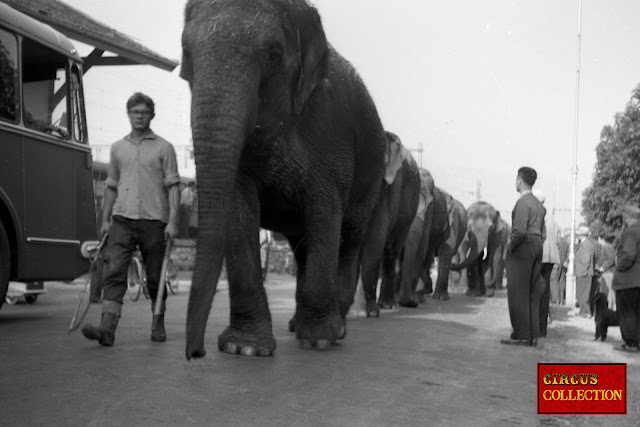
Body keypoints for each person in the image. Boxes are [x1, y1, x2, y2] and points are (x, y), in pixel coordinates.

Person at [81, 92, 180, 347]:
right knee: (114, 271)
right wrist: (105, 221)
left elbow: (173, 188)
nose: (139, 116)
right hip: (122, 220)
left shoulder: (164, 148)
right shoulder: (118, 148)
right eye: (135, 111)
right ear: (128, 115)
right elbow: (111, 186)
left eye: (144, 112)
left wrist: (173, 221)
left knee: (156, 276)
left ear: (152, 115)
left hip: (154, 221)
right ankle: (107, 328)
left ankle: (158, 322)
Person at [501, 166, 546, 346]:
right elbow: (543, 233)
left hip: (523, 246)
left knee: (518, 291)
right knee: (533, 292)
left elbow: (519, 230)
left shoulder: (522, 203)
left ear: (519, 180)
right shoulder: (538, 205)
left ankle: (521, 334)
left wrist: (510, 247)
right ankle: (533, 334)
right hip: (537, 245)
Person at [612, 204, 640, 353]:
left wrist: (619, 266)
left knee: (627, 312)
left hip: (628, 280)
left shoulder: (630, 232)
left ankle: (630, 343)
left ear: (627, 217)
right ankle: (636, 342)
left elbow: (628, 255)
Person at [532, 190, 560, 337]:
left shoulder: (537, 215)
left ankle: (533, 326)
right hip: (550, 257)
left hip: (539, 256)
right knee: (544, 292)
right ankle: (542, 328)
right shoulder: (552, 218)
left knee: (534, 291)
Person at [574, 225, 599, 317]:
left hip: (584, 272)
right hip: (587, 272)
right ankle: (584, 312)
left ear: (581, 235)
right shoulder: (588, 244)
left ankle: (585, 312)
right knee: (584, 293)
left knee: (583, 293)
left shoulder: (585, 245)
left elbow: (586, 260)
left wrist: (583, 271)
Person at [596, 234, 616, 310]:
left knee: (609, 291)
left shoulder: (607, 247)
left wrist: (602, 268)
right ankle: (610, 307)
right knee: (609, 291)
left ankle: (610, 308)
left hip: (609, 272)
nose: (598, 241)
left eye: (598, 239)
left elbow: (611, 259)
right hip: (606, 272)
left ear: (602, 239)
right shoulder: (605, 247)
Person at [555, 231, 570, 305]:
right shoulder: (565, 242)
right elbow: (568, 252)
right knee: (562, 282)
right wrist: (566, 261)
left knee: (555, 282)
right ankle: (562, 300)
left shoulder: (556, 242)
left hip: (557, 264)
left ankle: (557, 299)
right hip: (564, 264)